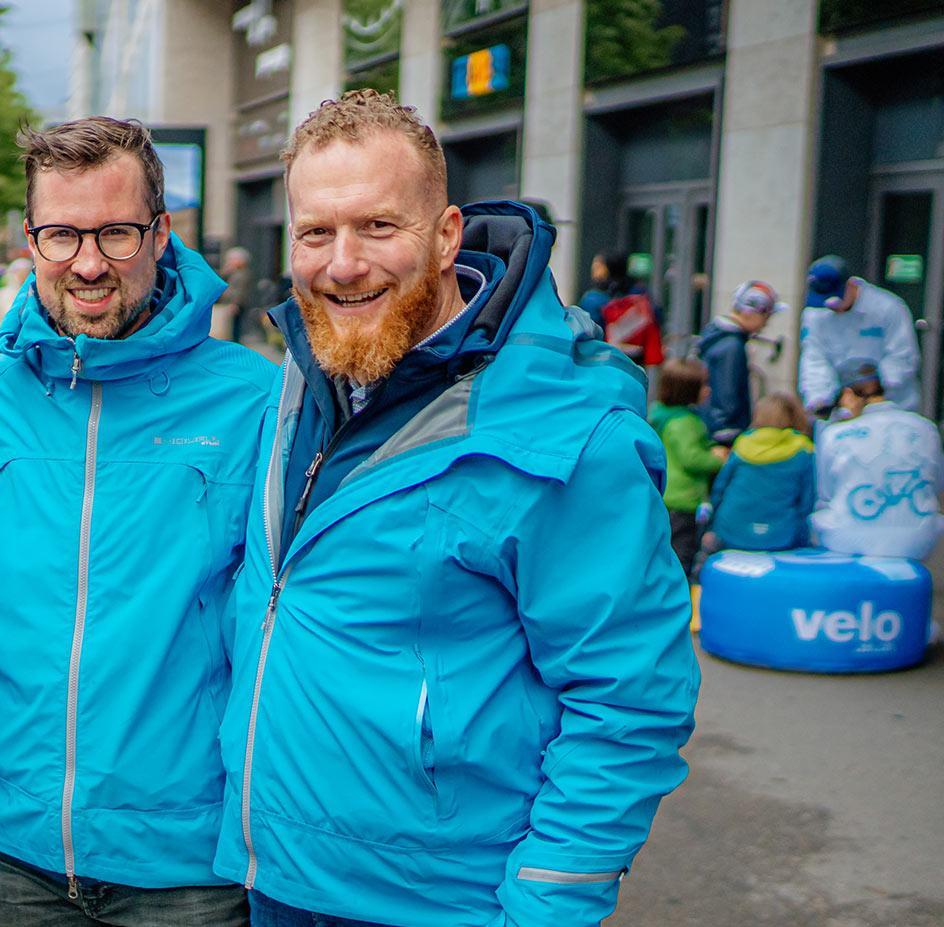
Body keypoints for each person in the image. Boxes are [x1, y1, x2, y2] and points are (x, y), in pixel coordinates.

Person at [216, 90, 697, 926]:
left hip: (440, 902)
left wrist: (547, 903)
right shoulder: (302, 374)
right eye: (316, 232)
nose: (342, 262)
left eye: (377, 226)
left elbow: (629, 697)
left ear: (445, 236)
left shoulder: (566, 432)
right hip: (275, 880)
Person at [0, 116, 271, 926]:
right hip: (12, 854)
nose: (89, 263)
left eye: (117, 233)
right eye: (62, 234)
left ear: (162, 233)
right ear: (30, 239)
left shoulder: (253, 401)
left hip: (188, 868)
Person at [811, 359, 944, 559]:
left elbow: (825, 492)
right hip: (919, 542)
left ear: (847, 395)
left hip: (848, 541)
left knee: (818, 516)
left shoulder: (835, 434)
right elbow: (937, 484)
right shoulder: (926, 428)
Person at [799, 255, 918, 414]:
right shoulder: (815, 314)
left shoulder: (887, 308)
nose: (831, 307)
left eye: (835, 300)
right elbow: (814, 359)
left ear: (851, 284)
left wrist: (875, 391)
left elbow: (902, 357)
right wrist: (820, 400)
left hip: (890, 404)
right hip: (843, 405)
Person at [705, 392, 815, 554]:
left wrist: (711, 526)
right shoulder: (803, 449)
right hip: (780, 537)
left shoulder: (743, 443)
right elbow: (807, 502)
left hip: (732, 532)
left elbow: (719, 490)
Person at [648, 358, 722, 576]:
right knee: (683, 554)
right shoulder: (686, 422)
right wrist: (719, 459)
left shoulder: (662, 415)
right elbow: (692, 458)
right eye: (704, 386)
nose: (708, 391)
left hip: (666, 496)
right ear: (688, 390)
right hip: (683, 500)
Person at [694, 280, 784, 444]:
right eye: (766, 315)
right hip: (722, 434)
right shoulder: (732, 347)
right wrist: (728, 435)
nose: (766, 323)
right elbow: (727, 398)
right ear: (750, 312)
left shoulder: (716, 337)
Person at [217, 245, 255, 343]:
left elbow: (239, 291)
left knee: (235, 327)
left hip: (236, 304)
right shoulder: (233, 273)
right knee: (230, 326)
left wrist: (235, 303)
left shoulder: (242, 274)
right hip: (230, 302)